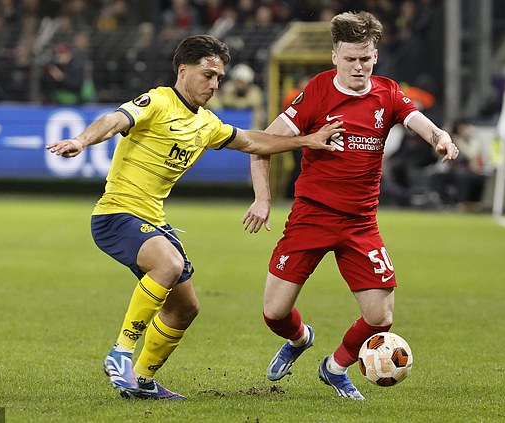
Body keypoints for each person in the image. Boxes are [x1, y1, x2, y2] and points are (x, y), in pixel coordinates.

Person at [46, 34, 342, 401]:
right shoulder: (157, 101)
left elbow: (254, 142)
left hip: (153, 221)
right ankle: (120, 353)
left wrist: (306, 141)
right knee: (168, 265)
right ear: (183, 70)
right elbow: (113, 119)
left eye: (219, 77)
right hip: (116, 214)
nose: (215, 84)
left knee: (185, 308)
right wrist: (81, 140)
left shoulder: (206, 124)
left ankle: (141, 381)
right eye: (208, 75)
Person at [242, 11, 458, 400]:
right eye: (350, 59)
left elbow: (417, 120)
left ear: (374, 55)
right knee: (274, 313)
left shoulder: (387, 92)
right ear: (334, 57)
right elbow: (261, 144)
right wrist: (263, 198)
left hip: (360, 223)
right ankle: (299, 338)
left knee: (381, 317)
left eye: (365, 58)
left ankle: (336, 366)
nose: (358, 67)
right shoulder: (317, 92)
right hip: (311, 216)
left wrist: (439, 137)